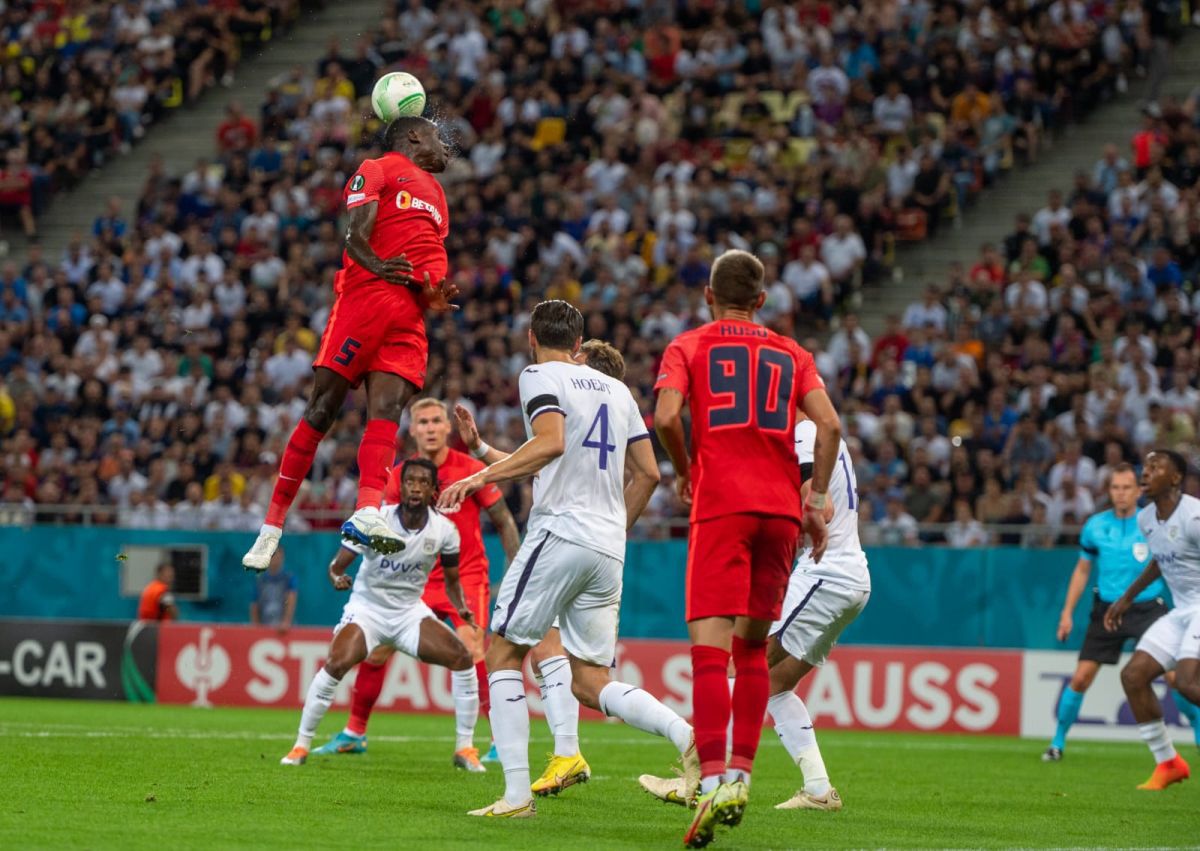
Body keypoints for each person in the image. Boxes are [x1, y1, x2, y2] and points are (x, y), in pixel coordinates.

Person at [438, 301, 697, 820]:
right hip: (607, 547)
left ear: (532, 338)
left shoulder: (538, 375)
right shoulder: (618, 391)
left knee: (502, 654)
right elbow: (649, 473)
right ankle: (687, 735)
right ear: (579, 342)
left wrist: (479, 476)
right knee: (590, 682)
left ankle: (516, 798)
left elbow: (550, 444)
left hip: (560, 532)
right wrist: (485, 451)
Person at [653, 249, 837, 848]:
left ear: (709, 295)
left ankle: (711, 782)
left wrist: (686, 469)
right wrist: (816, 500)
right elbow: (831, 426)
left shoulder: (689, 345)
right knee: (753, 649)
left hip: (723, 507)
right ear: (761, 300)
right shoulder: (793, 353)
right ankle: (741, 776)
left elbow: (666, 416)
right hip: (781, 513)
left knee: (710, 654)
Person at [242, 116, 459, 572]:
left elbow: (426, 263)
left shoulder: (438, 196)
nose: (446, 147)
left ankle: (366, 512)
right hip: (365, 300)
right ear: (414, 136)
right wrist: (378, 265)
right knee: (322, 409)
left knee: (387, 412)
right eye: (437, 137)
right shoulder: (377, 169)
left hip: (409, 317)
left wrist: (433, 296)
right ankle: (271, 528)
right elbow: (354, 235)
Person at [640, 412, 868, 812]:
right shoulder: (822, 437)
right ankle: (818, 789)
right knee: (775, 685)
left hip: (825, 574)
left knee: (740, 662)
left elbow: (822, 508)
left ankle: (704, 778)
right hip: (850, 577)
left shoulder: (803, 433)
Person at [312, 397, 521, 773]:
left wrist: (516, 570)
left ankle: (494, 743)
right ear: (412, 431)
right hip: (415, 579)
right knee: (377, 651)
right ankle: (355, 732)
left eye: (436, 420)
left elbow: (504, 520)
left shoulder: (471, 468)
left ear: (447, 427)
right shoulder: (399, 476)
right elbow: (382, 525)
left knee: (473, 648)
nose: (429, 427)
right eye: (422, 422)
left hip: (464, 576)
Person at [280, 458, 475, 766]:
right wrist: (336, 577)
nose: (416, 487)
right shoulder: (375, 520)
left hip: (409, 614)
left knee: (463, 658)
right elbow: (336, 566)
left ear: (433, 491)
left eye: (423, 482)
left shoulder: (445, 531)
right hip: (367, 610)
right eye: (410, 481)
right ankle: (300, 746)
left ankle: (465, 749)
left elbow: (452, 582)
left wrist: (461, 606)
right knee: (337, 663)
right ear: (401, 486)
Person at [1043, 465, 1184, 761]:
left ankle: (1197, 734)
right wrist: (1067, 613)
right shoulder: (1095, 526)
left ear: (1138, 491)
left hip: (1147, 609)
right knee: (1081, 678)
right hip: (1106, 610)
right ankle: (1057, 744)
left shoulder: (1153, 522)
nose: (1121, 493)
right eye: (1116, 487)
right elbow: (1082, 570)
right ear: (1109, 491)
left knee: (1176, 678)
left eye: (1126, 487)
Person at [1104, 450, 1200, 790]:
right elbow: (1160, 559)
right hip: (1183, 611)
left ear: (1175, 478)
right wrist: (1127, 597)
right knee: (1133, 676)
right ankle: (1169, 763)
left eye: (1155, 468)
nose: (1146, 472)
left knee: (1187, 683)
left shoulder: (1194, 517)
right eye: (1145, 466)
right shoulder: (1146, 518)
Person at [249, 547, 297, 633]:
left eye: (278, 556)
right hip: (264, 625)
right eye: (273, 556)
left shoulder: (288, 578)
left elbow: (291, 598)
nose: (276, 559)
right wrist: (256, 627)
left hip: (283, 626)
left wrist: (286, 622)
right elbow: (254, 605)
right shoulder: (260, 580)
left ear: (282, 558)